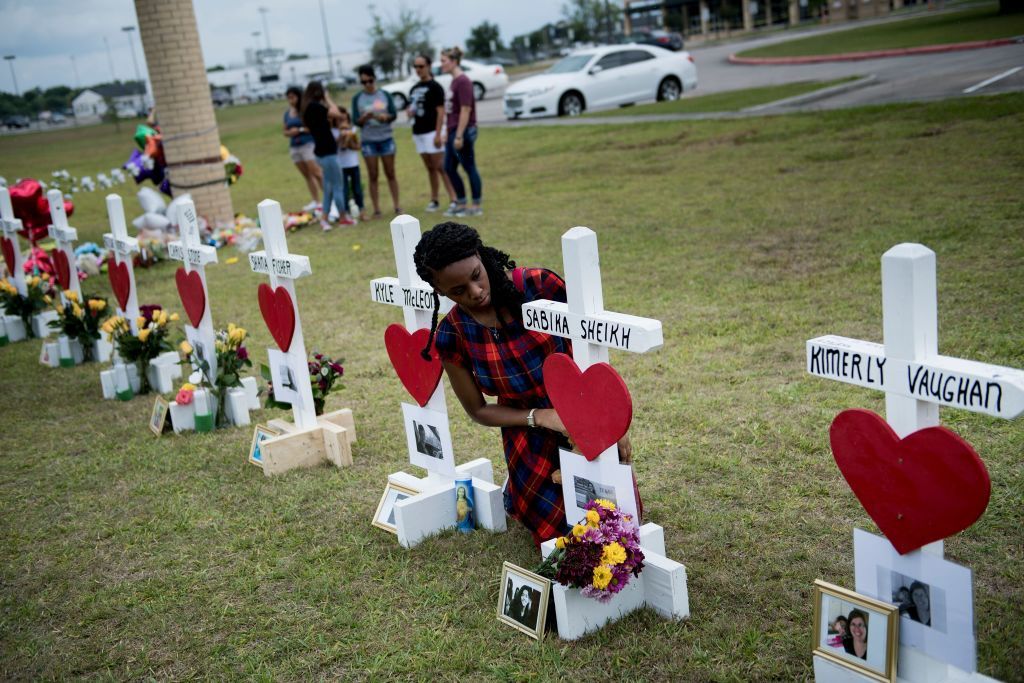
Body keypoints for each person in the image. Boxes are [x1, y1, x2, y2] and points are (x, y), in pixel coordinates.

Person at [413, 222, 634, 546]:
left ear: (481, 256)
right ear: (440, 291)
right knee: (557, 535)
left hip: (583, 414)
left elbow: (593, 344)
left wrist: (612, 421)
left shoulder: (539, 286)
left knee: (617, 526)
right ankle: (516, 491)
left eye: (476, 275)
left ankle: (519, 492)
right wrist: (540, 417)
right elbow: (478, 410)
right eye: (457, 291)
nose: (474, 292)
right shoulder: (452, 334)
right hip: (525, 429)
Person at [407, 53, 456, 213]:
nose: (418, 69)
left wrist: (437, 133)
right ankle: (434, 199)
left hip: (431, 132)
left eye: (421, 66)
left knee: (441, 166)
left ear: (428, 66)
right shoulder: (414, 88)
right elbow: (413, 108)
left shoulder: (435, 87)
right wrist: (410, 113)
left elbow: (441, 112)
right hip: (418, 132)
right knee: (430, 168)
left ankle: (454, 198)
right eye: (415, 66)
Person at [301, 81, 353, 230]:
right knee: (338, 185)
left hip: (320, 152)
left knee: (329, 187)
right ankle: (343, 217)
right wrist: (328, 98)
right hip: (328, 152)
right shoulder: (316, 107)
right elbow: (338, 114)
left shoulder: (307, 108)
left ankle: (324, 219)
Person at [352, 65, 400, 217]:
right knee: (373, 175)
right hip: (368, 141)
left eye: (370, 81)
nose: (367, 84)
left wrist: (386, 117)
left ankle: (397, 206)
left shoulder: (384, 94)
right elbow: (355, 121)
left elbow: (394, 114)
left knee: (390, 172)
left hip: (386, 137)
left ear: (374, 79)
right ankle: (377, 209)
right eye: (363, 82)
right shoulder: (357, 99)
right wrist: (364, 118)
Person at [440, 47, 483, 217]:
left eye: (444, 61)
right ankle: (462, 202)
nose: (441, 64)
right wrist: (446, 131)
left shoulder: (463, 81)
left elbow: (466, 110)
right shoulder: (454, 81)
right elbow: (452, 110)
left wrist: (458, 135)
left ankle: (476, 205)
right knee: (449, 167)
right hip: (453, 130)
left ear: (454, 61)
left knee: (468, 166)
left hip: (463, 130)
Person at [284, 86, 322, 211]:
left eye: (292, 97)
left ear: (299, 96)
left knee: (316, 172)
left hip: (308, 144)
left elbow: (313, 127)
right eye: (288, 98)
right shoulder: (287, 113)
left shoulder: (305, 111)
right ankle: (316, 201)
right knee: (307, 175)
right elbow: (285, 130)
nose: (290, 100)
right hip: (295, 146)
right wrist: (290, 133)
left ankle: (328, 199)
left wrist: (299, 129)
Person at [336, 107, 366, 221]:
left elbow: (357, 146)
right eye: (340, 119)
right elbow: (338, 146)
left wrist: (349, 139)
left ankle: (362, 211)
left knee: (357, 189)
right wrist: (341, 137)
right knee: (344, 190)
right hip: (341, 165)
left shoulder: (353, 129)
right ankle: (346, 213)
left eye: (345, 119)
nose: (343, 122)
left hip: (353, 163)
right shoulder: (334, 131)